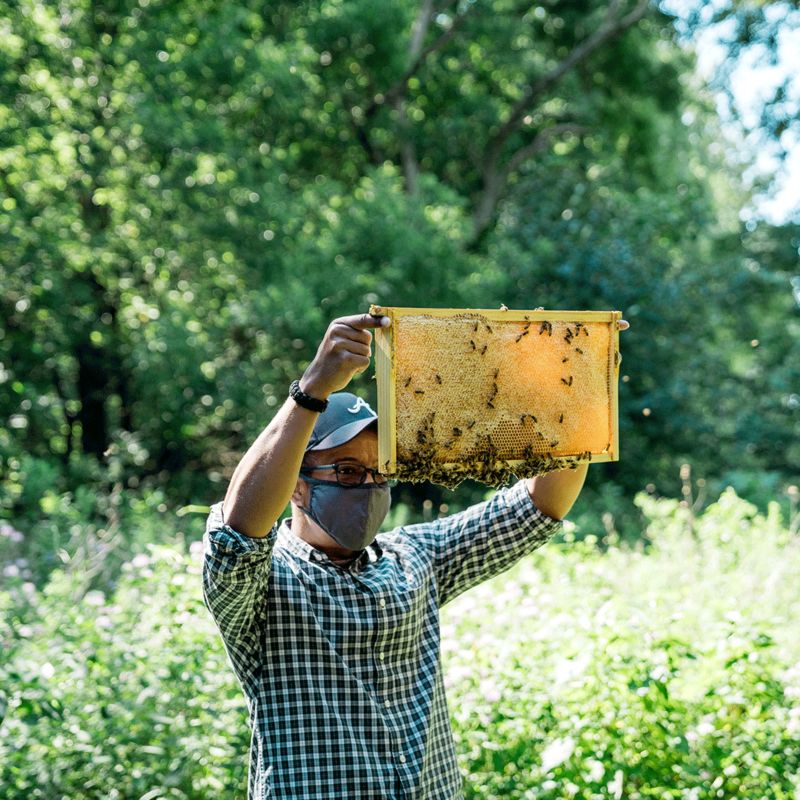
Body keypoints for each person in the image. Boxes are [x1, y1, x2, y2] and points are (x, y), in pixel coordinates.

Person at [203, 312, 628, 799]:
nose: (367, 485)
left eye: (378, 471)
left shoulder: (414, 556)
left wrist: (576, 383)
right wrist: (311, 389)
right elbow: (238, 531)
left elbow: (537, 506)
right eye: (346, 472)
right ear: (295, 486)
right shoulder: (266, 582)